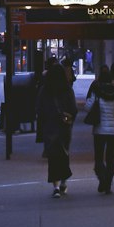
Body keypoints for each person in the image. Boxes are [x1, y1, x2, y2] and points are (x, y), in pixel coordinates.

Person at [35, 61, 77, 196]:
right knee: (64, 154)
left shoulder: (45, 90)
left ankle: (56, 186)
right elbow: (74, 108)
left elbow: (39, 109)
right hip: (64, 126)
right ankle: (64, 182)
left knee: (53, 157)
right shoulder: (67, 89)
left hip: (50, 126)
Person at [91, 64, 114, 194]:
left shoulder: (96, 92)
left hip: (99, 130)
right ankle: (108, 185)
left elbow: (87, 107)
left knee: (99, 158)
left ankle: (102, 178)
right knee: (110, 157)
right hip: (113, 131)